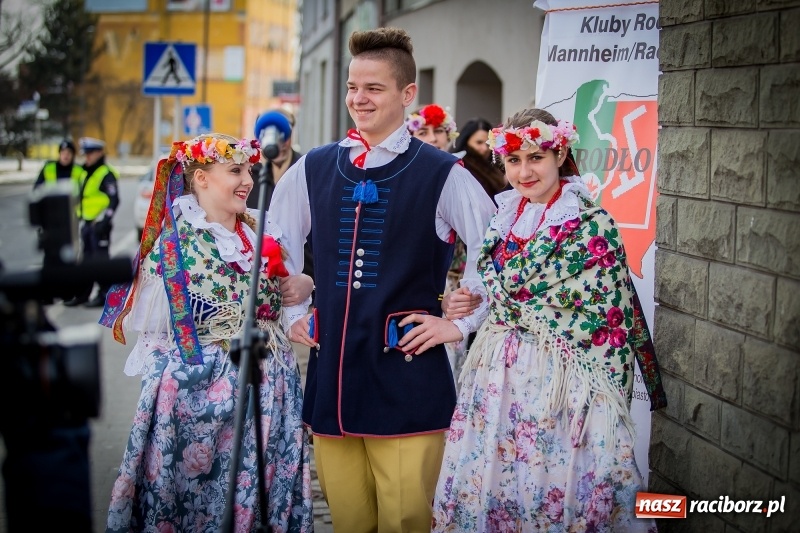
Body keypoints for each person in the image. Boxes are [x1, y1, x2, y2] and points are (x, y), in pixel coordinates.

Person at [267, 27, 496, 533]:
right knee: (349, 519)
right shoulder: (315, 167)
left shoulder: (442, 172)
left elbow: (496, 245)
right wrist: (294, 308)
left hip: (408, 377)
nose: (358, 98)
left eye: (373, 88)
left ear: (407, 94)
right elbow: (276, 240)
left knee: (407, 520)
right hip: (335, 381)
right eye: (353, 87)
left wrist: (459, 322)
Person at [429, 108, 667, 531]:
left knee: (557, 482)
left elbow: (607, 317)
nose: (524, 171)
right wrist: (471, 301)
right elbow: (495, 291)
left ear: (560, 155)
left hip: (566, 381)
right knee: (500, 482)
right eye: (515, 160)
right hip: (499, 376)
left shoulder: (592, 225)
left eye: (536, 157)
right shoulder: (503, 220)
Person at [98, 133, 315, 532]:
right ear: (200, 178)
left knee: (264, 493)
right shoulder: (175, 245)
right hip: (199, 398)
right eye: (235, 170)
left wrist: (303, 285)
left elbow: (285, 308)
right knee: (199, 501)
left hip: (271, 388)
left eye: (249, 169)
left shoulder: (262, 233)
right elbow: (157, 333)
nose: (248, 179)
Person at [248, 109, 314, 280]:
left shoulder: (307, 170)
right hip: (258, 279)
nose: (280, 142)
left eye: (283, 132)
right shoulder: (247, 177)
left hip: (303, 278)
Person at [63, 137, 120, 307]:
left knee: (100, 262)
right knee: (86, 261)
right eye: (85, 154)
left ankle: (104, 295)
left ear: (99, 153)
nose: (87, 157)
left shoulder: (105, 173)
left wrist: (105, 220)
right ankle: (82, 294)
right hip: (86, 223)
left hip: (99, 224)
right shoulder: (85, 171)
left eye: (90, 154)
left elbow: (114, 199)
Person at [451, 117, 508, 201]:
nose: (485, 148)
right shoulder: (460, 167)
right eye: (479, 142)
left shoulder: (495, 165)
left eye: (488, 144)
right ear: (466, 141)